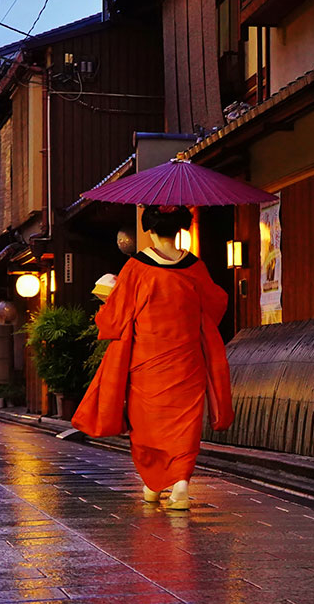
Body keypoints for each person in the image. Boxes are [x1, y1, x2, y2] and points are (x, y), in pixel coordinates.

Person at [72, 205, 233, 510]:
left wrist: (105, 307)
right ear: (182, 228)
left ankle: (152, 482)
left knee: (147, 424)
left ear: (148, 229)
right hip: (187, 359)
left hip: (148, 360)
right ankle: (179, 484)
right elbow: (215, 305)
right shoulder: (195, 266)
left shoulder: (137, 267)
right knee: (185, 423)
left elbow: (115, 317)